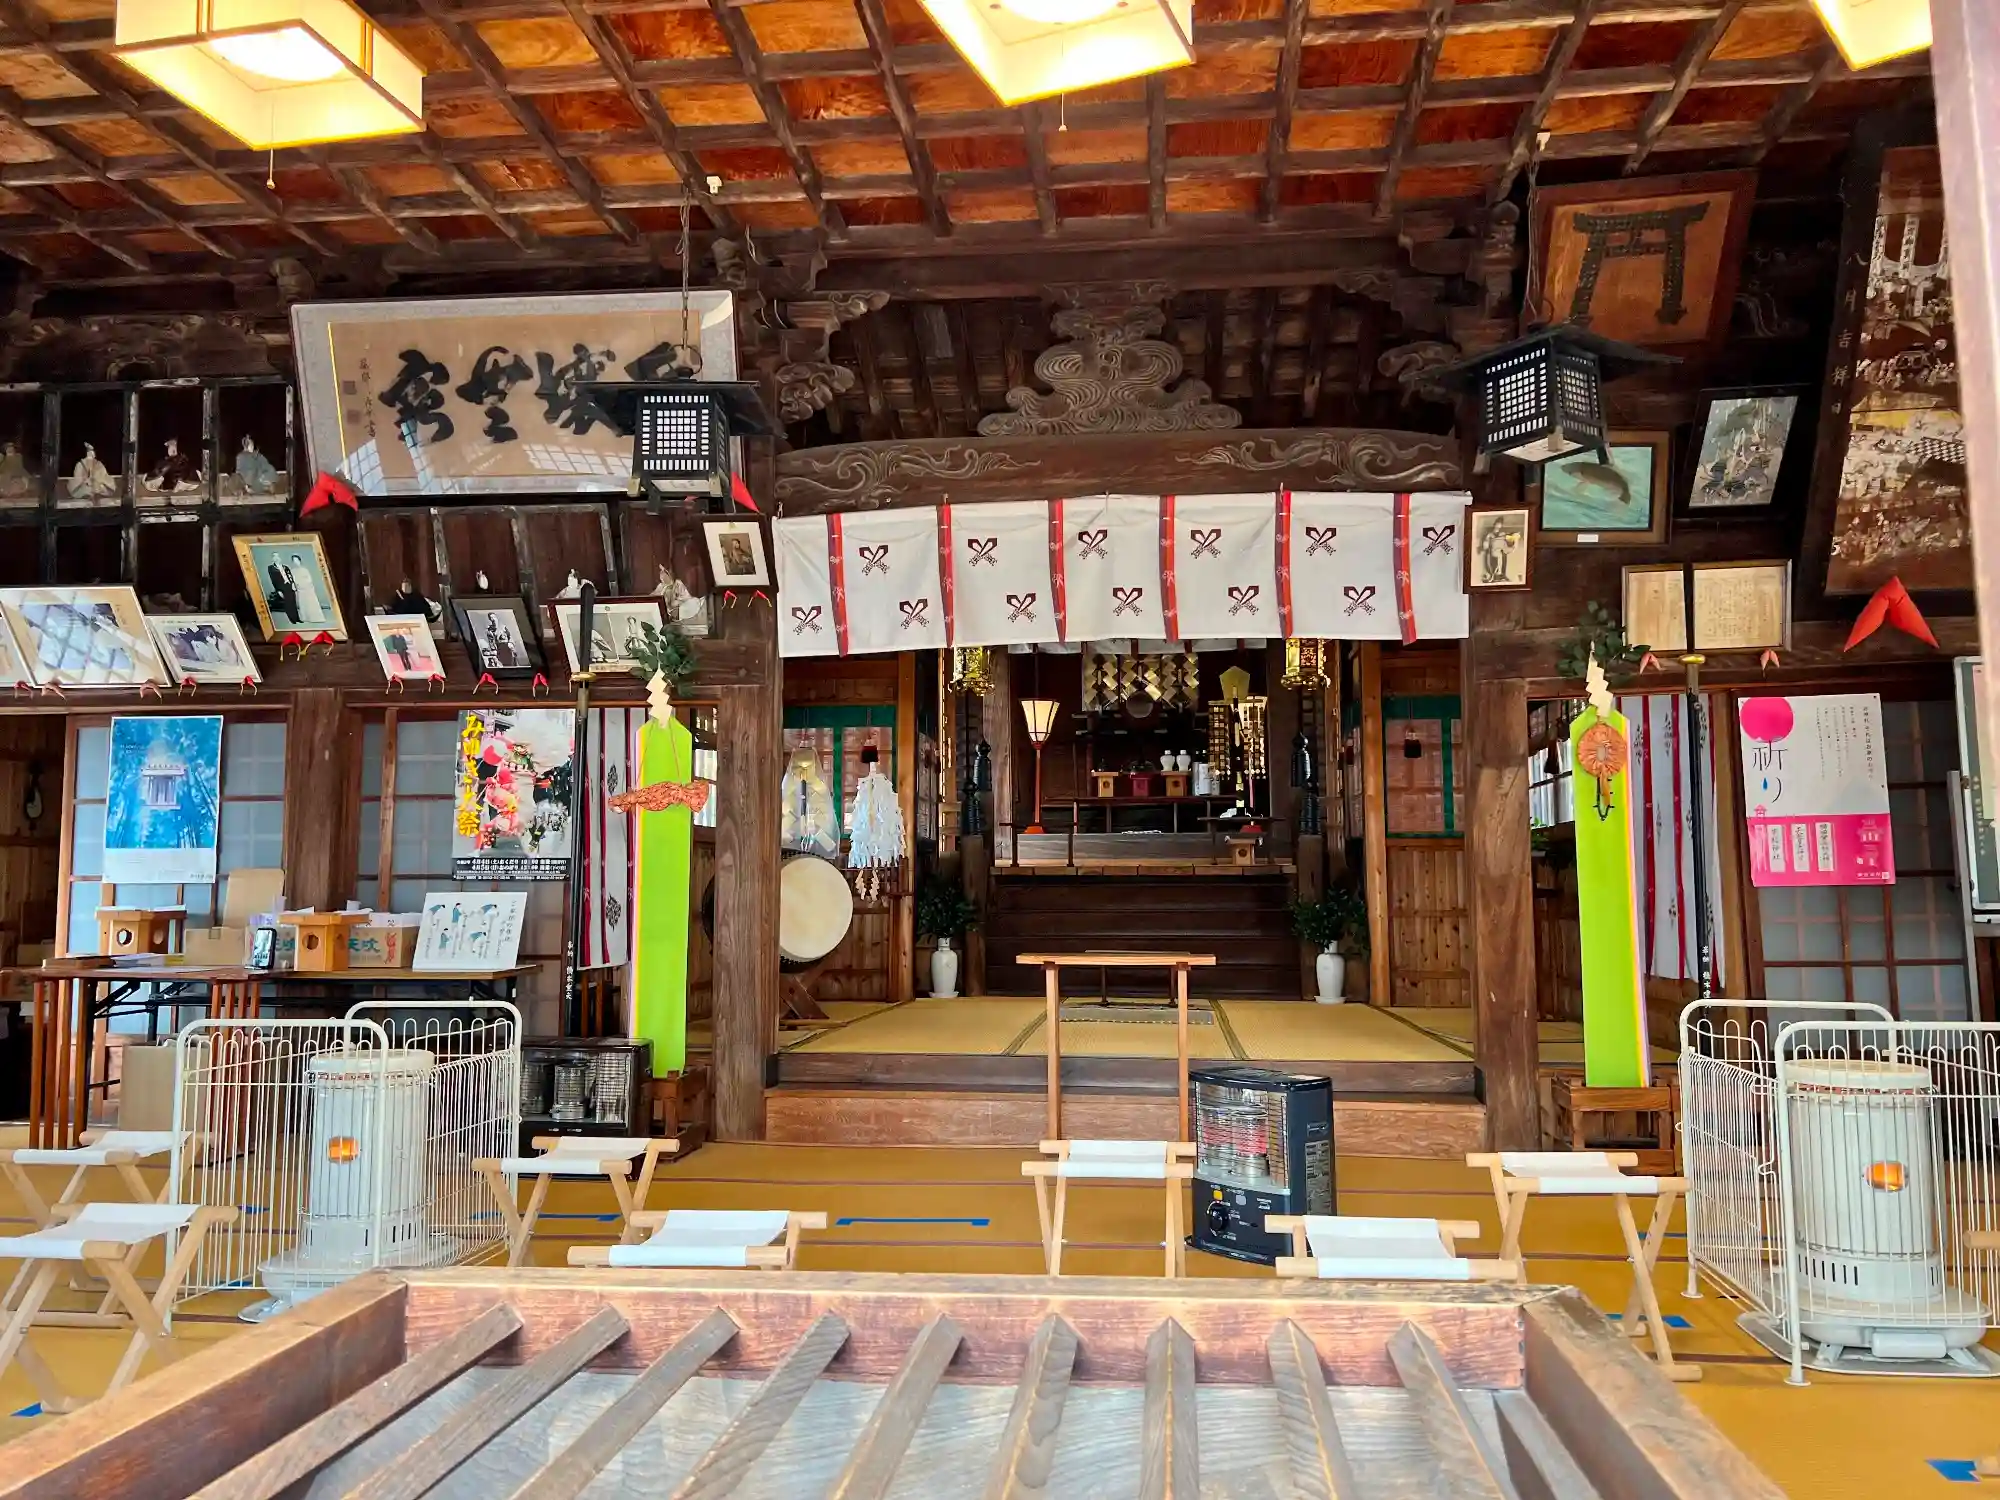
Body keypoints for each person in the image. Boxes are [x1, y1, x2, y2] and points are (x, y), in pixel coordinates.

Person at [287, 552, 326, 626]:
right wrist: (296, 584)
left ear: (300, 561)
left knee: (310, 602)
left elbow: (309, 579)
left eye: (297, 560)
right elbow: (293, 580)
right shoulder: (292, 571)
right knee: (302, 603)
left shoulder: (305, 570)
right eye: (294, 561)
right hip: (300, 589)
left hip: (307, 588)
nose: (296, 562)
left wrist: (304, 583)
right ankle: (305, 617)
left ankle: (315, 618)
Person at [264, 556, 300, 624]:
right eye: (274, 557)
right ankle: (292, 620)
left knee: (293, 602)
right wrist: (278, 590)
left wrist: (293, 584)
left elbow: (290, 576)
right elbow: (273, 580)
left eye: (278, 557)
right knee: (288, 603)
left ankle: (297, 618)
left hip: (289, 585)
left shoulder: (285, 567)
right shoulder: (271, 568)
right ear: (273, 559)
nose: (277, 558)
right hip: (282, 587)